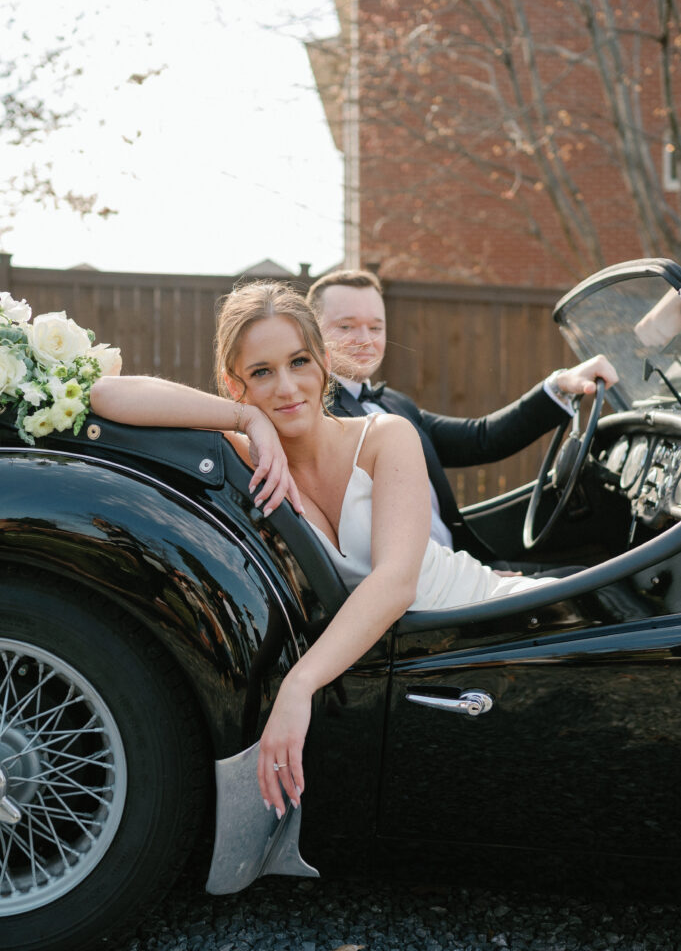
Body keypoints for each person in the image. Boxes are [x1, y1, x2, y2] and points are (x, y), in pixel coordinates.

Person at [90, 281, 569, 821]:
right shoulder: (246, 450)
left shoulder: (387, 435)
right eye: (262, 372)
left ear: (323, 364)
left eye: (299, 362)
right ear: (235, 384)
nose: (288, 387)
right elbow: (106, 396)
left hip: (494, 615)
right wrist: (243, 420)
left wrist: (300, 686)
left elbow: (395, 582)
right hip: (416, 656)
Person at [307, 269, 619, 559]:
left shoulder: (394, 403)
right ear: (313, 334)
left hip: (458, 560)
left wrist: (560, 386)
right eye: (346, 326)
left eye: (376, 327)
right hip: (415, 586)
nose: (365, 339)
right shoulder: (320, 418)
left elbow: (481, 438)